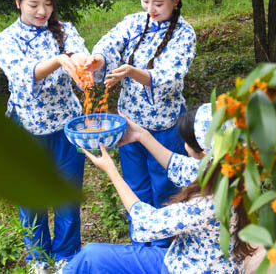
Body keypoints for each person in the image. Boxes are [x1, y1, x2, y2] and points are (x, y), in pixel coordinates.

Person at [61, 103, 252, 274]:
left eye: (186, 141)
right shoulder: (229, 171)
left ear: (203, 153)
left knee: (91, 256)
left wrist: (112, 171)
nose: (184, 146)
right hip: (189, 261)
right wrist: (141, 135)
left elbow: (147, 222)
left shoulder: (208, 203)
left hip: (187, 268)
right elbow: (178, 165)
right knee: (92, 256)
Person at [84, 0, 198, 246]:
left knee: (164, 187)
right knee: (136, 184)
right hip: (130, 124)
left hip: (164, 127)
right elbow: (111, 43)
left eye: (158, 3)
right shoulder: (135, 22)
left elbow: (170, 77)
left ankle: (162, 247)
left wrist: (131, 71)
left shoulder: (185, 34)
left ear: (176, 0)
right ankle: (140, 243)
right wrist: (99, 59)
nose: (151, 9)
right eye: (146, 1)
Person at [0, 0, 97, 274]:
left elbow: (80, 59)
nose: (42, 11)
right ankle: (38, 256)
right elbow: (22, 74)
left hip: (66, 126)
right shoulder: (6, 40)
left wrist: (82, 63)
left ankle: (67, 253)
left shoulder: (65, 30)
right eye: (34, 5)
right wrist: (57, 61)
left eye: (48, 4)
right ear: (17, 2)